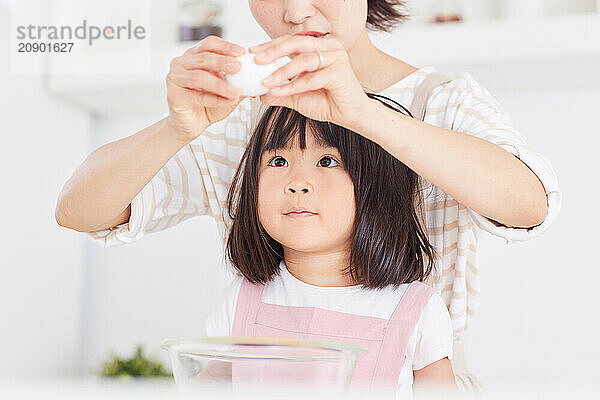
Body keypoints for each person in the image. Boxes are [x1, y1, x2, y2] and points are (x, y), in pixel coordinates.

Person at [55, 0, 562, 396]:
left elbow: (529, 204)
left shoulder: (442, 101)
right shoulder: (241, 117)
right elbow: (80, 210)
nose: (295, 13)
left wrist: (363, 113)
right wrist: (175, 127)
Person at [202, 100, 457, 398]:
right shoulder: (241, 299)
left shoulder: (416, 311)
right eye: (278, 161)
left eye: (327, 161)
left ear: (377, 189)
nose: (297, 183)